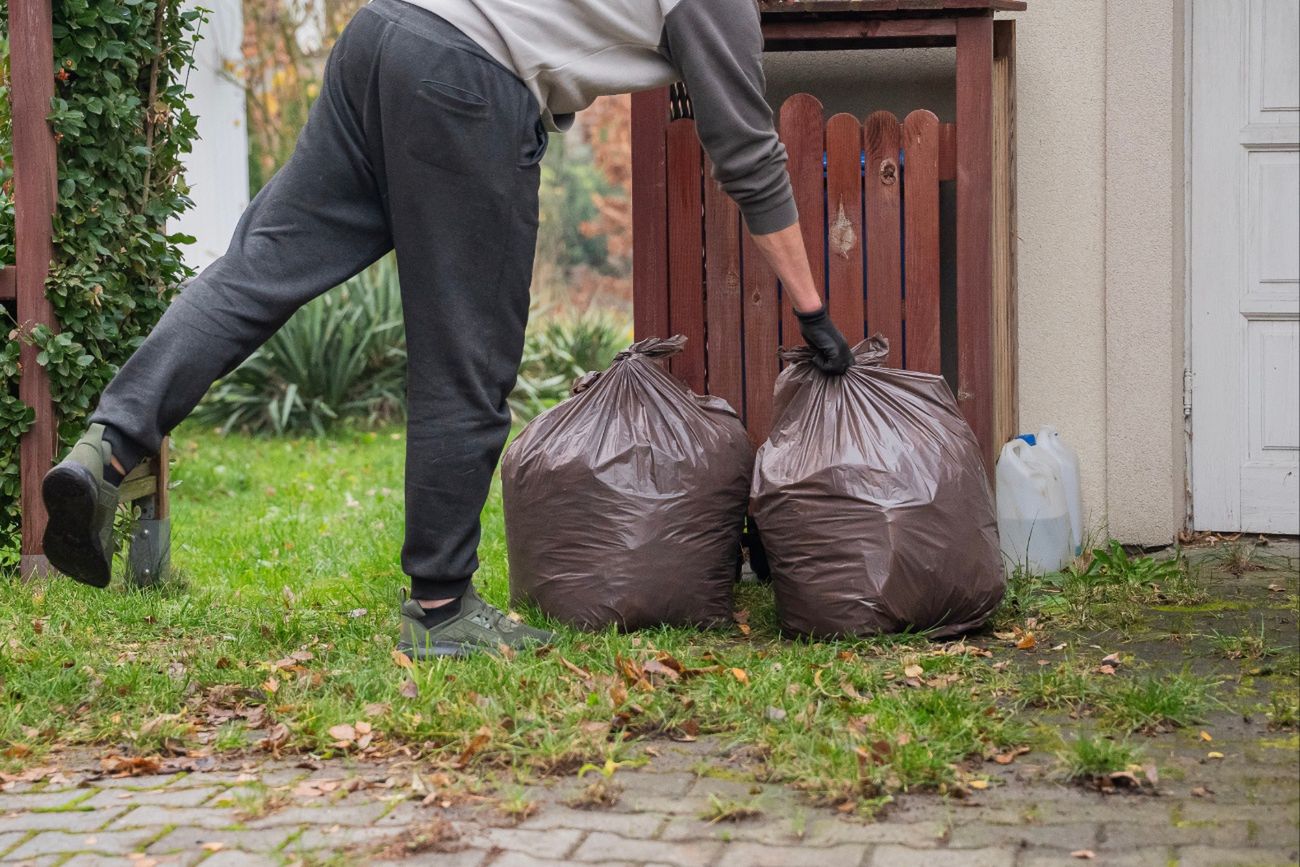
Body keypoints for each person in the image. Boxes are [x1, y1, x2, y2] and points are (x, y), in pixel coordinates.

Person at [40, 0, 855, 658]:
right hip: (465, 81)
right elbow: (750, 156)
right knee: (468, 349)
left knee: (254, 272)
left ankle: (109, 445)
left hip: (382, 34)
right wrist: (813, 310)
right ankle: (439, 607)